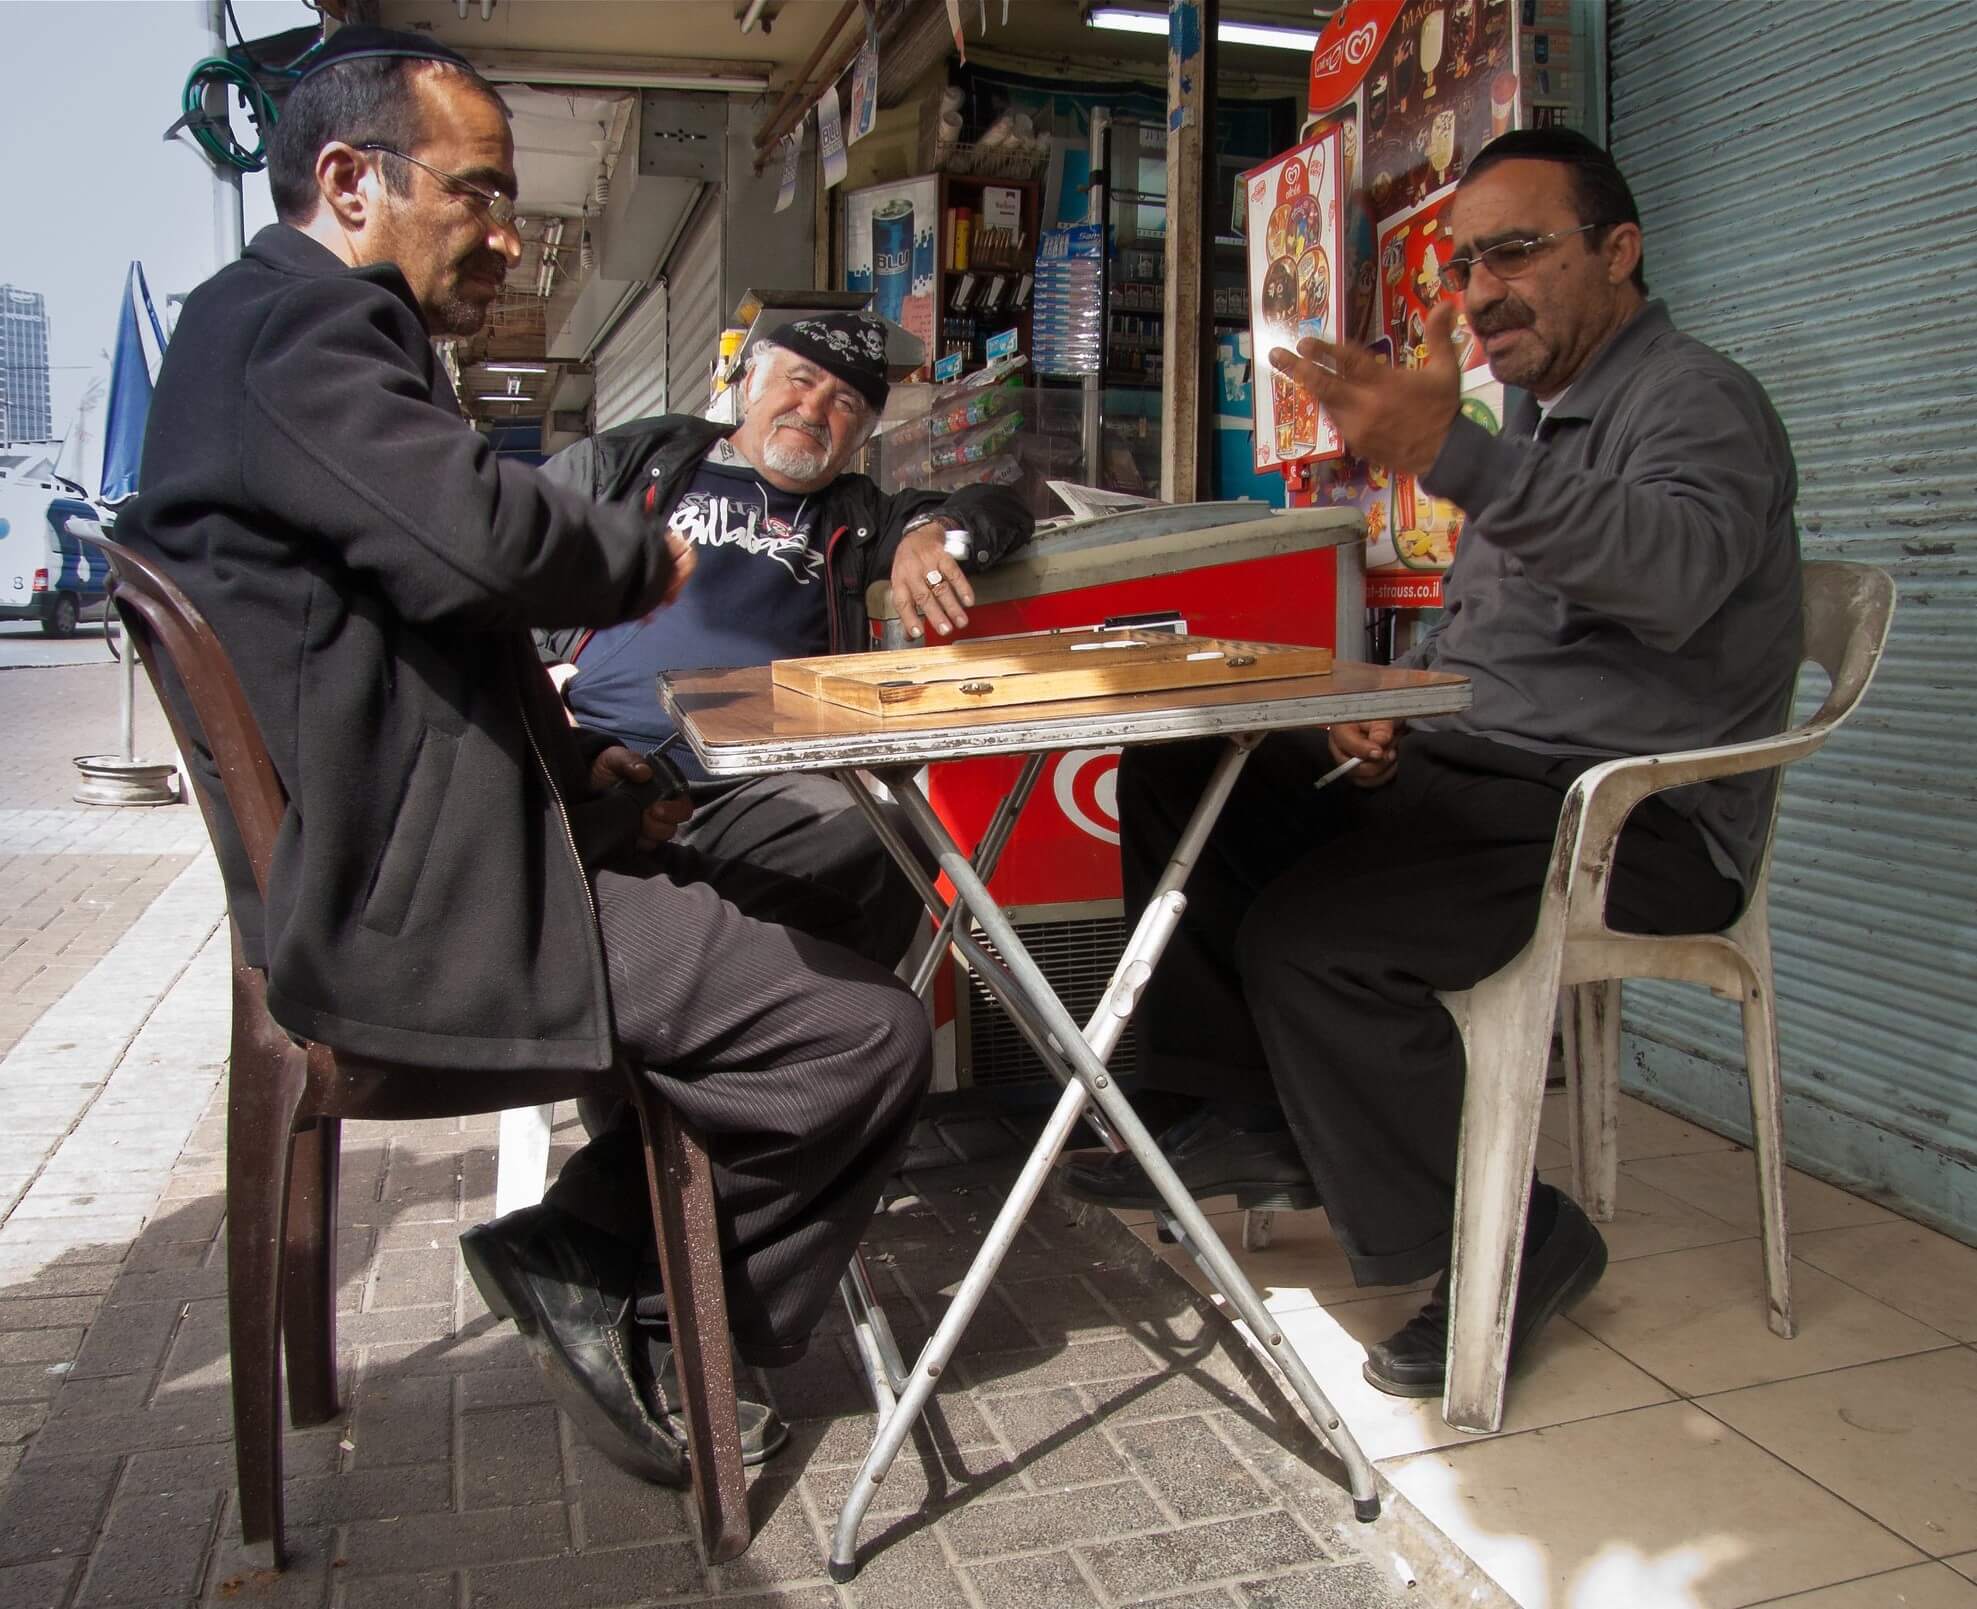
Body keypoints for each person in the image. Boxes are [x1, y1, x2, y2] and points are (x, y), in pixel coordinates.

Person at [117, 27, 931, 1486]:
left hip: (440, 848)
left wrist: (584, 779)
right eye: (478, 193)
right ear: (350, 180)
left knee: (842, 867)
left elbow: (431, 632)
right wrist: (644, 557)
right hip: (430, 899)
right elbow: (480, 539)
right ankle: (650, 1301)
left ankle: (609, 1215)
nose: (504, 233)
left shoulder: (264, 332)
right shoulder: (306, 326)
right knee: (862, 1036)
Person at [1063, 128, 1802, 1404]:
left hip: (1634, 822)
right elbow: (1500, 643)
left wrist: (1452, 453)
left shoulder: (1695, 402)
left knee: (1317, 937)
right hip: (1486, 776)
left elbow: (1673, 576)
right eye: (1465, 267)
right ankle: (1250, 1114)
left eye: (1517, 252)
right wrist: (1389, 704)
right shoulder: (1541, 423)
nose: (1481, 293)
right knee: (1189, 773)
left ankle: (1515, 1242)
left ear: (1618, 253)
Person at [534, 316, 1033, 972]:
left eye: (846, 401)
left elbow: (1001, 506)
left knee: (884, 837)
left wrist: (935, 529)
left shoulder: (858, 515)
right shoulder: (630, 462)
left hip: (757, 787)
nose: (815, 408)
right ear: (749, 386)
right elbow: (510, 558)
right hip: (597, 756)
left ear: (865, 432)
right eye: (800, 381)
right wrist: (546, 692)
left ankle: (828, 1031)